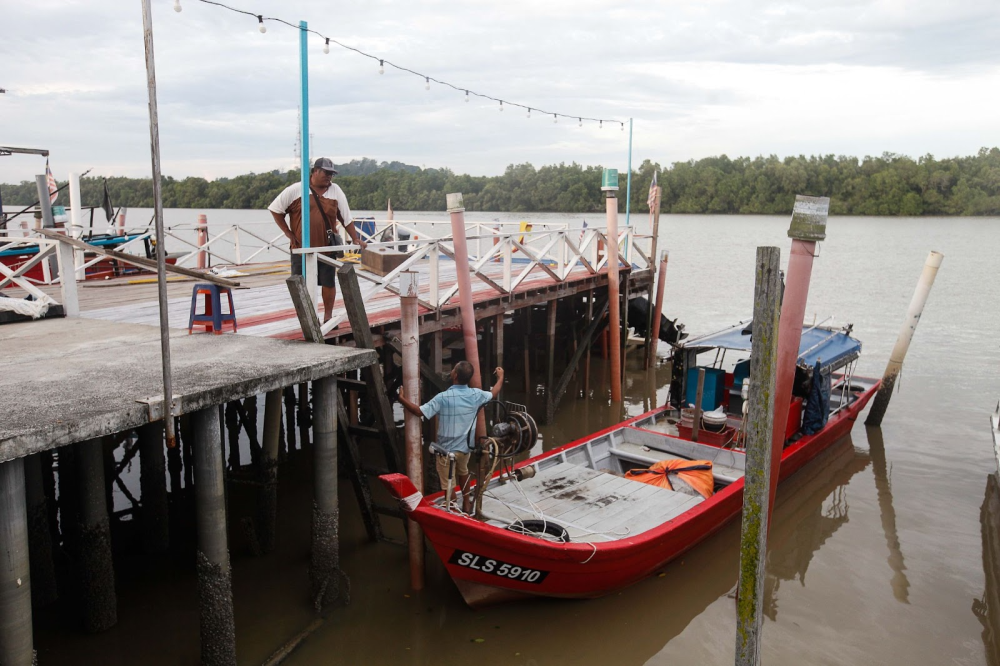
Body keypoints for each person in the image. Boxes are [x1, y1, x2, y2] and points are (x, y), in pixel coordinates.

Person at [268, 157, 367, 322]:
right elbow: (275, 209)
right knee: (301, 284)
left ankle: (328, 318)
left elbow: (346, 218)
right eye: (326, 173)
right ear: (315, 171)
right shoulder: (297, 189)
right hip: (301, 248)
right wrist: (287, 232)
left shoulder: (335, 191)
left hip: (326, 248)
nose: (329, 177)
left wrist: (355, 238)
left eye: (332, 174)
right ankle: (307, 319)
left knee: (328, 283)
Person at [398, 361, 504, 514]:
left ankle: (453, 508)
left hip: (445, 451)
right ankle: (466, 505)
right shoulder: (476, 395)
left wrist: (402, 399)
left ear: (454, 375)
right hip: (465, 449)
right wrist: (500, 377)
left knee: (448, 483)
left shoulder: (442, 397)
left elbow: (419, 411)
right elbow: (493, 393)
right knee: (463, 472)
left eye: (453, 369)